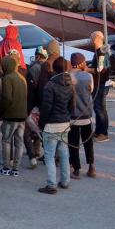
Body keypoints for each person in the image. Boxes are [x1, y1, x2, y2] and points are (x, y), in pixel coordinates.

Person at [38, 57, 74, 194]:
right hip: (65, 123)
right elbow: (72, 105)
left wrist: (42, 123)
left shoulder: (50, 85)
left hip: (51, 125)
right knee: (64, 153)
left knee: (49, 156)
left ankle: (51, 184)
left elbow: (46, 108)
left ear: (54, 68)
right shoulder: (70, 85)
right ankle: (65, 181)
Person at [0, 55, 27, 177]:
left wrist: (1, 111)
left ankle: (6, 167)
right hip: (22, 116)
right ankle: (16, 168)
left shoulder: (7, 78)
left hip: (10, 116)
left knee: (6, 141)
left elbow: (7, 98)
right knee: (19, 143)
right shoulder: (22, 78)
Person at [68, 52, 96, 178]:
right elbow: (92, 90)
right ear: (82, 63)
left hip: (73, 116)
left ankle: (76, 169)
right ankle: (91, 167)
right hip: (87, 114)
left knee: (73, 143)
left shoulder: (68, 77)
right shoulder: (89, 76)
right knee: (88, 142)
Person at [89, 31, 110, 142]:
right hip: (99, 83)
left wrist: (87, 69)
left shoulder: (101, 52)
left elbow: (99, 69)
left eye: (92, 38)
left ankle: (103, 133)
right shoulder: (100, 51)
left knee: (100, 109)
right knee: (98, 108)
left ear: (97, 38)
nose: (91, 40)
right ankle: (98, 131)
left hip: (101, 84)